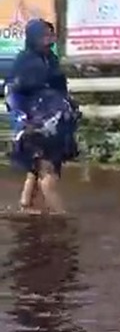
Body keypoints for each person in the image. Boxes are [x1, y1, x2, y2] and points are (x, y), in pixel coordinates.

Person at [5, 19, 79, 213]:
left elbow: (60, 90)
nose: (49, 40)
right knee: (48, 172)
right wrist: (24, 121)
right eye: (44, 36)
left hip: (54, 123)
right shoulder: (25, 63)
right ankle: (62, 218)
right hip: (34, 123)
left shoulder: (51, 60)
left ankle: (26, 204)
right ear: (33, 38)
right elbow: (13, 95)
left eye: (50, 35)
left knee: (37, 166)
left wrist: (69, 108)